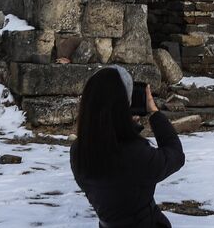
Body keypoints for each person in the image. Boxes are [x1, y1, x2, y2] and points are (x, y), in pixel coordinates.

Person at [71, 65, 185, 227]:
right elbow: (174, 156)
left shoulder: (78, 151)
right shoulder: (135, 154)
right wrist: (154, 113)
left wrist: (129, 126)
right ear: (123, 107)